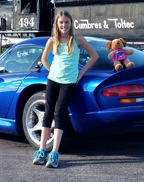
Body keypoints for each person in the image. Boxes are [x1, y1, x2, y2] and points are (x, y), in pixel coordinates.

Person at [32, 10, 99, 168]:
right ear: (57, 24)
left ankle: (54, 153)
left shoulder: (78, 39)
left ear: (71, 23)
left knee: (59, 113)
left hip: (69, 82)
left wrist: (81, 73)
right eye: (61, 22)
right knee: (48, 113)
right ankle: (42, 150)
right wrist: (51, 70)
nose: (64, 25)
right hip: (52, 80)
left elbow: (94, 56)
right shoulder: (52, 41)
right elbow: (43, 59)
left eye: (67, 22)